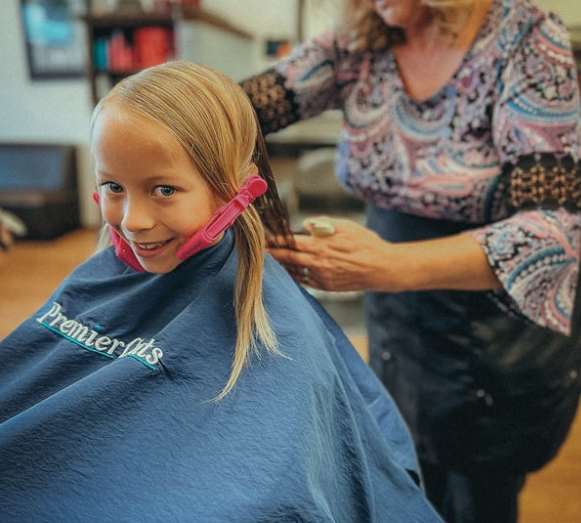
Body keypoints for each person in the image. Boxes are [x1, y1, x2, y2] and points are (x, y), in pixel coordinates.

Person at [239, 0, 581, 522]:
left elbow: (551, 232)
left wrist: (388, 265)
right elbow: (233, 110)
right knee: (405, 480)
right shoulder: (356, 45)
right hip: (399, 329)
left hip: (494, 341)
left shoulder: (527, 43)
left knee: (478, 499)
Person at [0, 61, 444, 522]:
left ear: (235, 185)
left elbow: (274, 495)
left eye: (163, 190)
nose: (132, 220)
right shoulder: (98, 277)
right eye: (113, 186)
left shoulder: (277, 323)